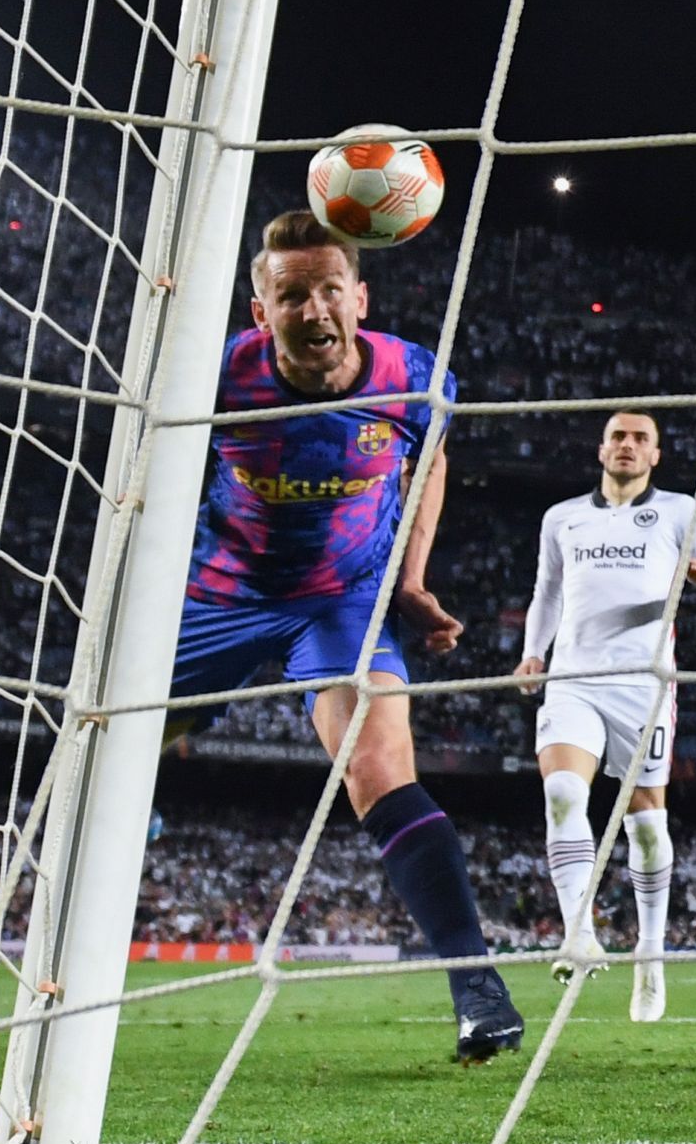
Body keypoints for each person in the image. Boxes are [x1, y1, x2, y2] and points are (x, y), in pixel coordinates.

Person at [168, 211, 521, 1063]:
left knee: (378, 767)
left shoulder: (412, 377)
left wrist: (410, 579)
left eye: (331, 289)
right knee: (113, 748)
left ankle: (478, 990)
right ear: (264, 312)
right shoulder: (217, 376)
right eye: (293, 295)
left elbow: (430, 456)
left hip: (342, 601)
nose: (316, 309)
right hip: (222, 593)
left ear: (359, 297)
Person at [514, 411, 696, 1022]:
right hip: (572, 681)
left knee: (645, 825)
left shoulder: (680, 511)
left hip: (644, 687)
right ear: (601, 448)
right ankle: (578, 931)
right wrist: (535, 652)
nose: (628, 445)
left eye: (640, 438)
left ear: (656, 455)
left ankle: (650, 954)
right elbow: (549, 593)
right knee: (562, 792)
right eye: (618, 435)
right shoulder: (562, 517)